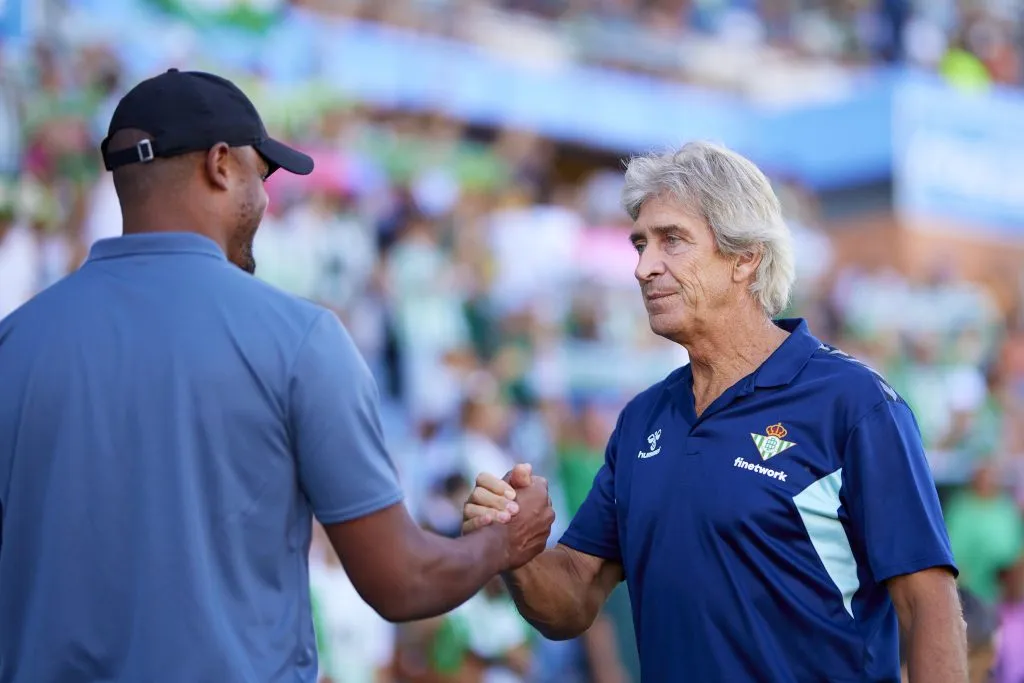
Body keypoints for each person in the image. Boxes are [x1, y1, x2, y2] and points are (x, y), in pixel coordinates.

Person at [0, 69, 554, 683]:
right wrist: (507, 541)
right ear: (219, 165)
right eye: (263, 177)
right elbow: (403, 580)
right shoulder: (299, 340)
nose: (266, 201)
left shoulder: (16, 341)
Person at [461, 142, 968, 682]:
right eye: (640, 244)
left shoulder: (855, 405)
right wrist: (512, 546)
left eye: (671, 241)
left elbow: (929, 607)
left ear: (745, 257)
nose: (643, 267)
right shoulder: (641, 421)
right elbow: (571, 600)